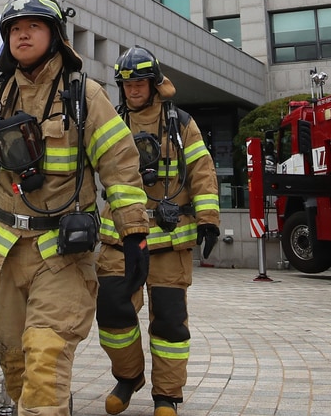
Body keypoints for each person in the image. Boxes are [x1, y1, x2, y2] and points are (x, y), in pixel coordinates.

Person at [0, 0, 153, 416]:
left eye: (34, 26)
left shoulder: (85, 95)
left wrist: (134, 232)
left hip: (62, 255)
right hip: (7, 251)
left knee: (45, 359)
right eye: (15, 28)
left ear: (55, 34)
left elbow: (120, 166)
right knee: (15, 362)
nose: (22, 35)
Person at [96, 47, 220, 416]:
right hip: (119, 237)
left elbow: (202, 170)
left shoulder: (181, 123)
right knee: (112, 312)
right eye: (127, 84)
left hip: (170, 240)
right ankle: (128, 376)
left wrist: (209, 218)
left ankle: (167, 395)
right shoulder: (112, 122)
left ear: (153, 84)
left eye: (140, 83)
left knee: (168, 322)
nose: (133, 90)